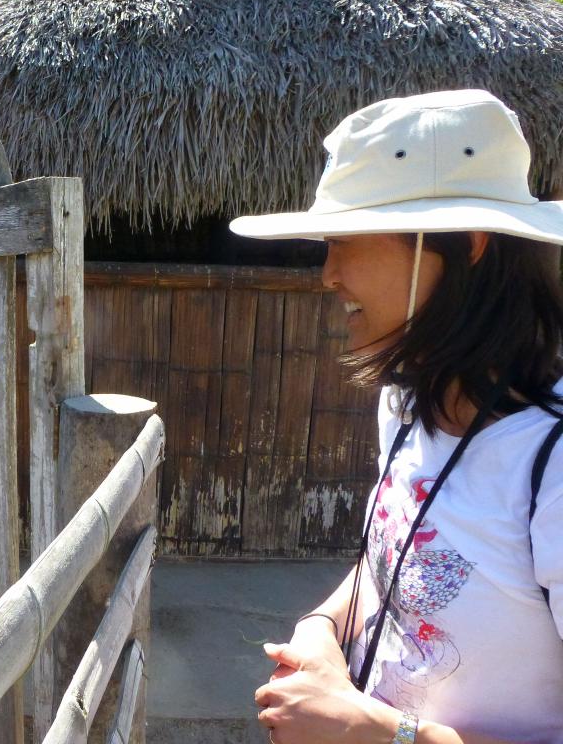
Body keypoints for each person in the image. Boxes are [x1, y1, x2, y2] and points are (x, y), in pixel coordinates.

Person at [229, 89, 563, 743]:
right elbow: (397, 563)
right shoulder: (411, 403)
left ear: (464, 245)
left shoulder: (551, 464)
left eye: (347, 242)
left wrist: (383, 733)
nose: (328, 275)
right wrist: (323, 629)